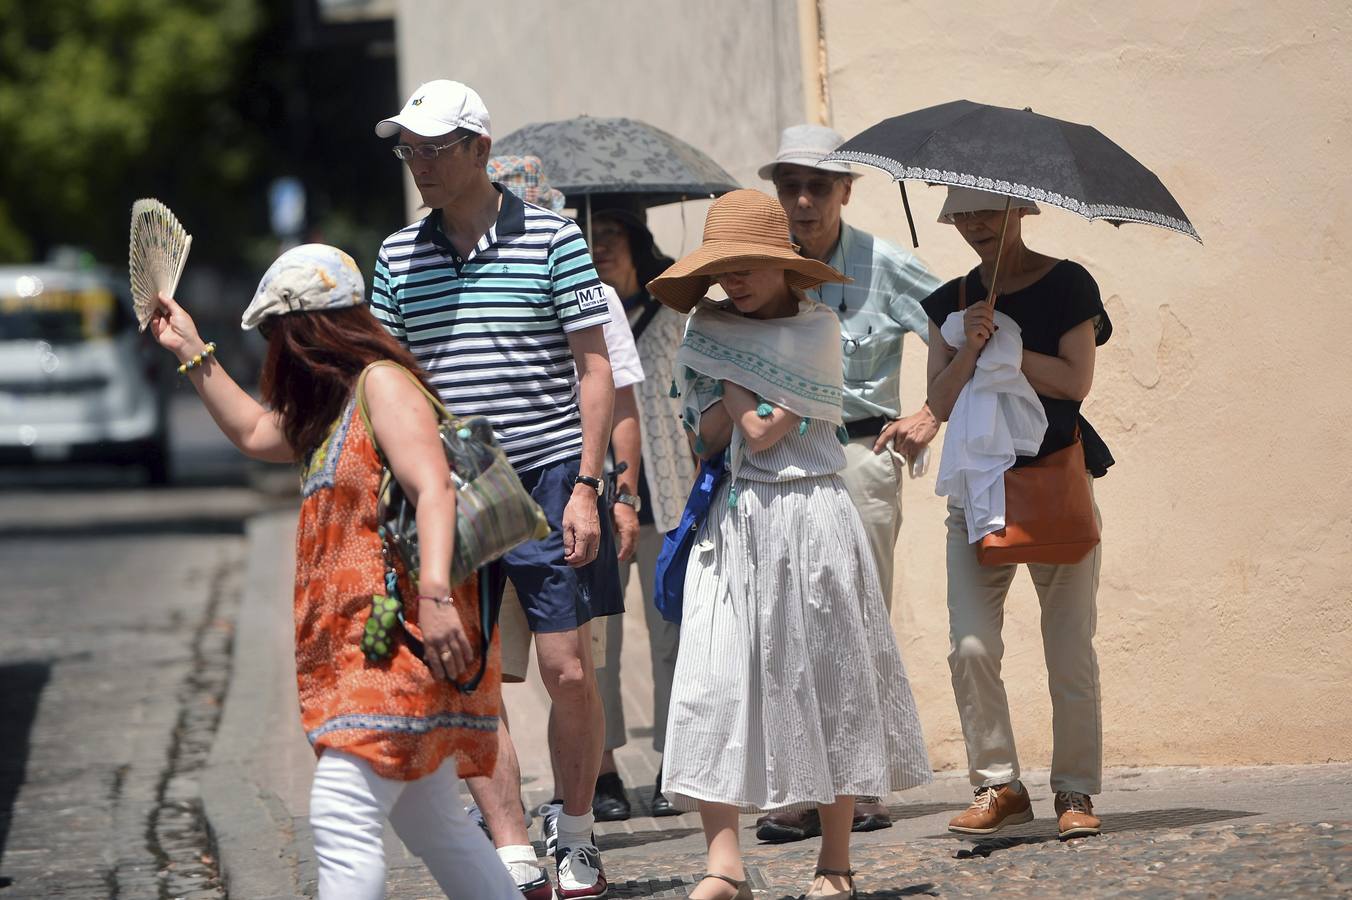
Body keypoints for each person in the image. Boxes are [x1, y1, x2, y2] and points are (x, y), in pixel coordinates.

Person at [146, 244, 520, 899]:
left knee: (343, 814)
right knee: (436, 824)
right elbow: (257, 433)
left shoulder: (383, 383)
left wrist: (435, 596)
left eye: (276, 334)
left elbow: (433, 488)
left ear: (311, 329)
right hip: (356, 654)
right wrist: (190, 349)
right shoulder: (331, 406)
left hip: (394, 648)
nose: (273, 350)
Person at [371, 80, 619, 900]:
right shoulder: (397, 255)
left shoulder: (553, 238)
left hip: (549, 472)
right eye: (409, 149)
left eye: (434, 148)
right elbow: (387, 380)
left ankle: (576, 832)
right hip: (450, 486)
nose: (419, 165)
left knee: (569, 670)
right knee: (472, 675)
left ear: (480, 148)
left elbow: (594, 368)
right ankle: (512, 848)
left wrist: (588, 485)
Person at [648, 190, 932, 900]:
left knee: (830, 677)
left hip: (813, 513)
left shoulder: (818, 330)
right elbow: (709, 433)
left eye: (746, 265)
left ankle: (835, 863)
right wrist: (744, 397)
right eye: (723, 269)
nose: (733, 281)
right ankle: (725, 865)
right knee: (712, 681)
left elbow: (765, 430)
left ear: (781, 265)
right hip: (736, 524)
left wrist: (735, 386)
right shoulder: (703, 330)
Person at [757, 124, 941, 839]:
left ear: (845, 190)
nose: (802, 200)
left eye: (817, 186)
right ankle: (798, 788)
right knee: (785, 623)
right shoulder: (759, 261)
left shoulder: (885, 263)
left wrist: (931, 409)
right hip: (776, 461)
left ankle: (861, 786)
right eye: (790, 186)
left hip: (859, 454)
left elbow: (954, 328)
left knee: (857, 617)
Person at [920, 186, 1113, 841]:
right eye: (963, 212)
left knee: (1068, 650)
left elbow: (1074, 381)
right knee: (970, 647)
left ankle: (1075, 790)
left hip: (1056, 480)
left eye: (987, 210)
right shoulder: (949, 302)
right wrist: (971, 346)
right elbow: (938, 402)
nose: (974, 224)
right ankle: (998, 783)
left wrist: (1006, 344)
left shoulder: (1068, 286)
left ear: (1020, 211)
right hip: (978, 493)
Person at [482, 156, 647, 838]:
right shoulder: (473, 284)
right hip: (486, 499)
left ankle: (585, 795)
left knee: (576, 666)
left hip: (569, 496)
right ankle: (507, 823)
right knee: (485, 672)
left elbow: (623, 396)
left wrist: (623, 491)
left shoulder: (591, 292)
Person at [586, 205, 689, 821]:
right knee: (596, 641)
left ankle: (674, 766)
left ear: (637, 243)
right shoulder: (580, 315)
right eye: (591, 240)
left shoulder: (674, 312)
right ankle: (601, 771)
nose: (601, 250)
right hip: (598, 501)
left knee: (671, 639)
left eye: (612, 239)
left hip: (670, 497)